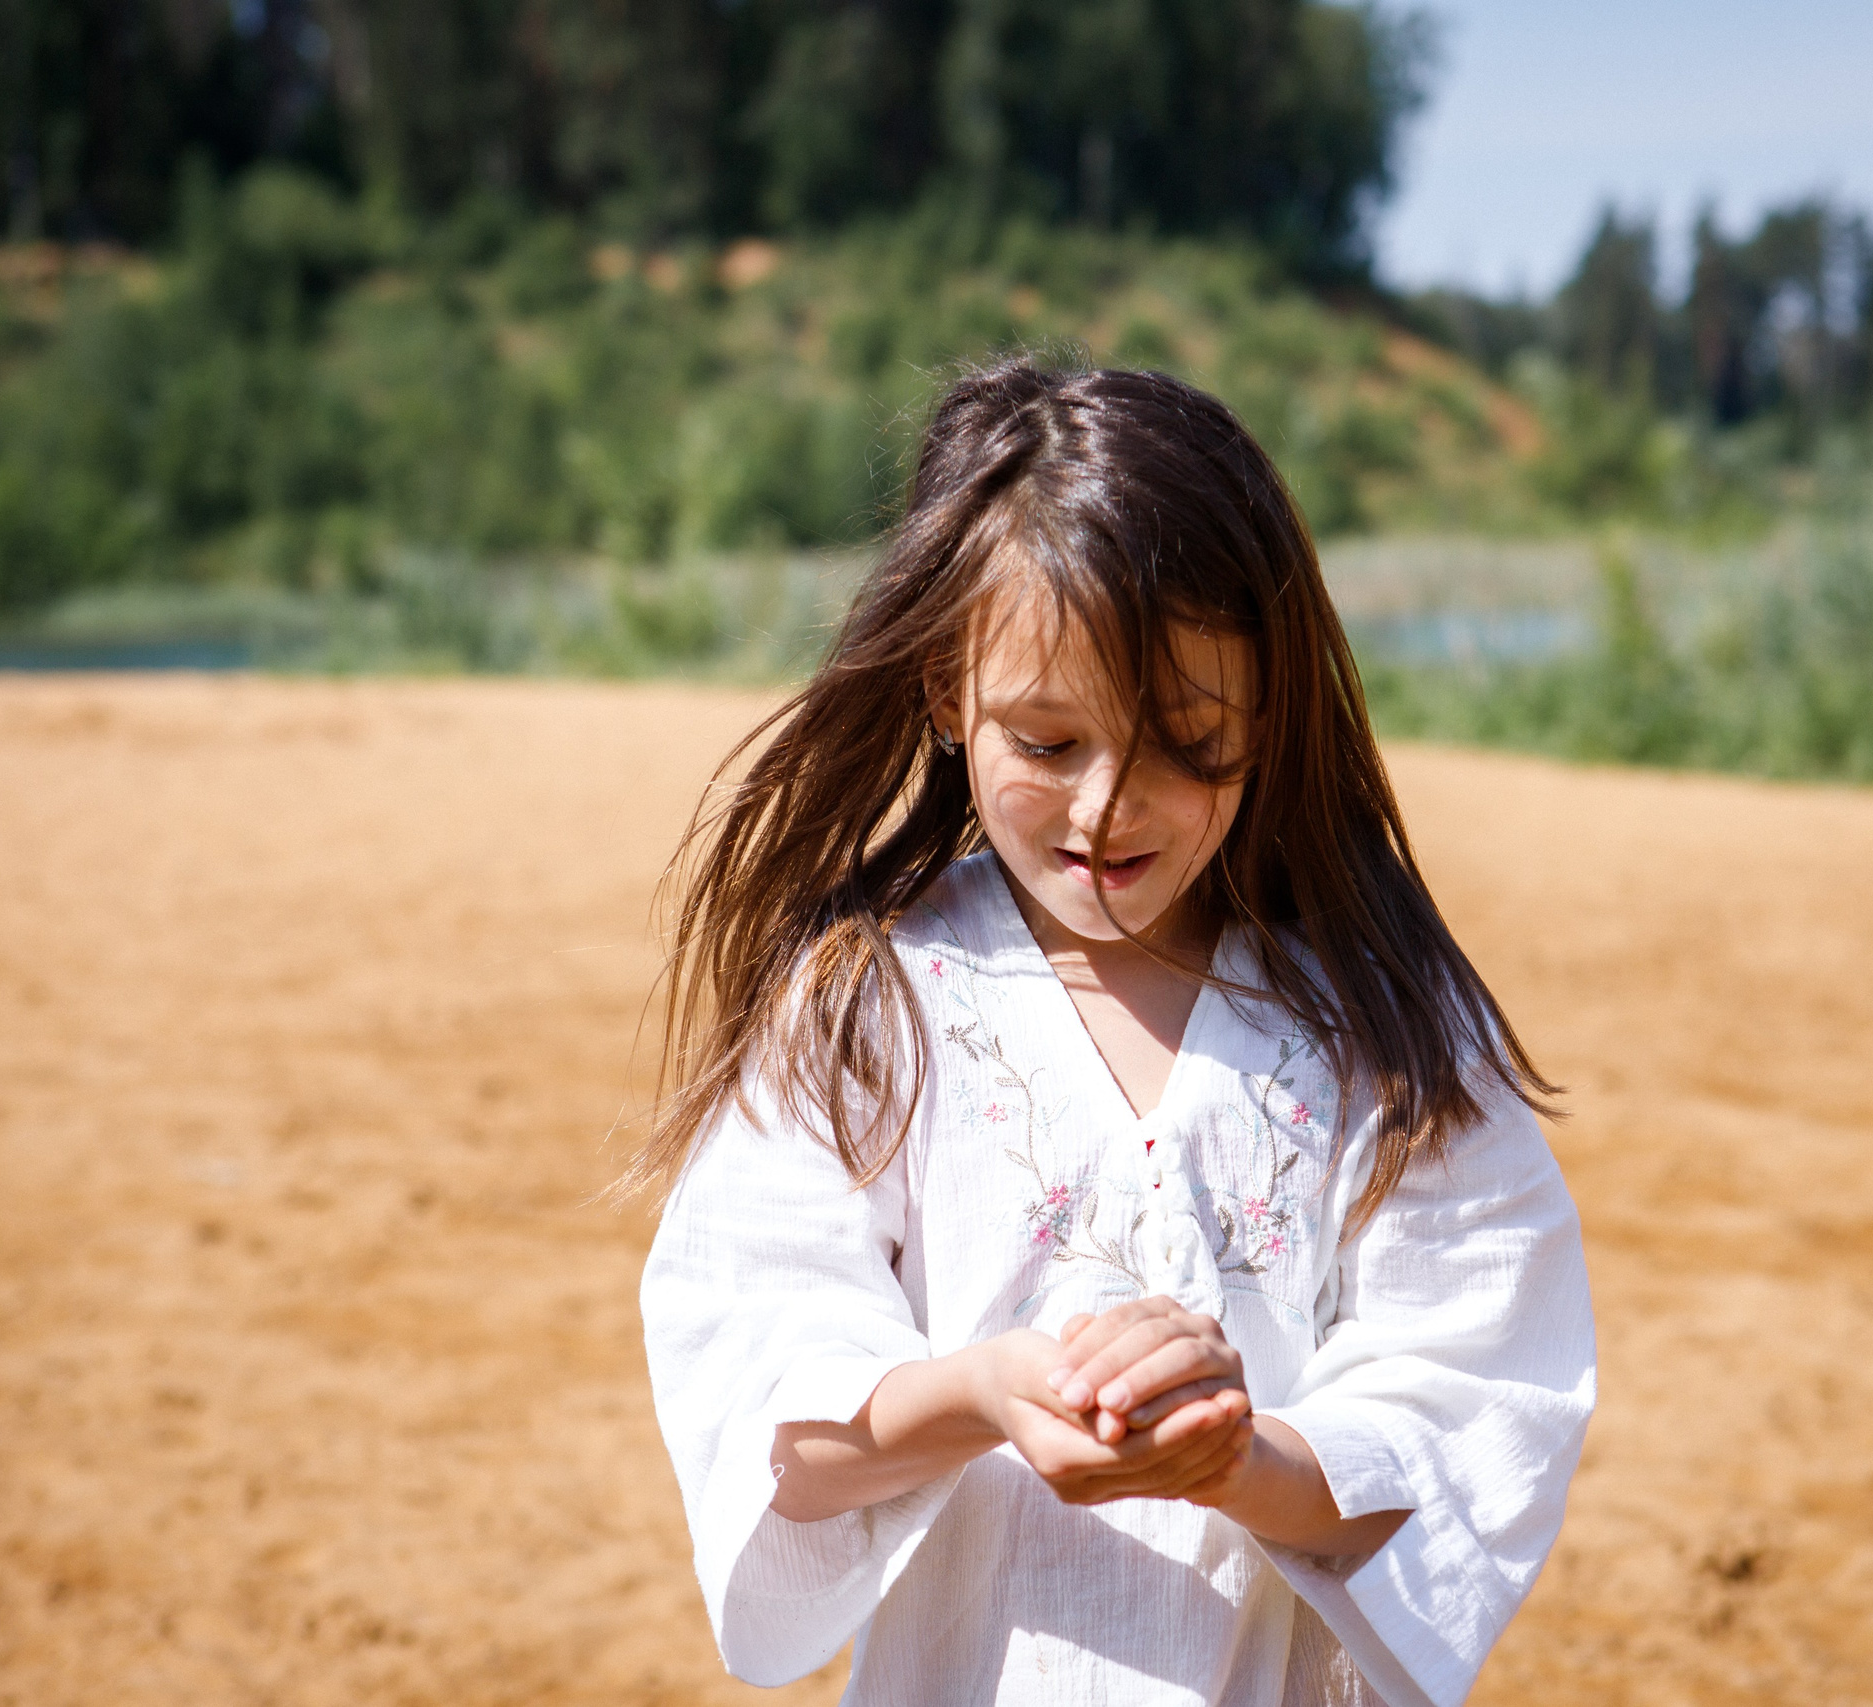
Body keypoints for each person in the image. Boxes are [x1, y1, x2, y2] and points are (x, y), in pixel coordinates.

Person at [629, 360, 1595, 1707]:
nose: (1109, 807)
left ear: (1272, 707)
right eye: (1047, 741)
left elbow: (1482, 1407)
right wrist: (975, 1394)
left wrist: (1236, 1463)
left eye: (1188, 740)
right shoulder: (868, 1001)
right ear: (941, 696)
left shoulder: (1387, 1022)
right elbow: (765, 1413)